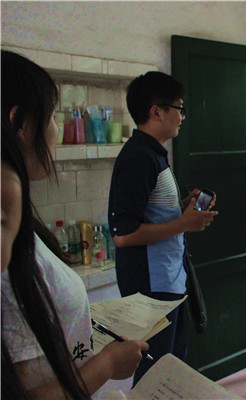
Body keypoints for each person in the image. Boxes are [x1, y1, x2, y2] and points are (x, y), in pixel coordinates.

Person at [1, 50, 148, 399]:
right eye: (53, 117)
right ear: (19, 123)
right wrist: (108, 363)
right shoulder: (7, 254)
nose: (56, 130)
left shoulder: (22, 230)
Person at [108, 71, 218, 385]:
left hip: (168, 280)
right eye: (179, 109)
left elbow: (153, 215)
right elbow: (123, 235)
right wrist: (184, 223)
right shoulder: (139, 158)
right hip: (150, 287)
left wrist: (183, 207)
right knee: (154, 375)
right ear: (157, 111)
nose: (182, 116)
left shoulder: (153, 154)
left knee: (171, 368)